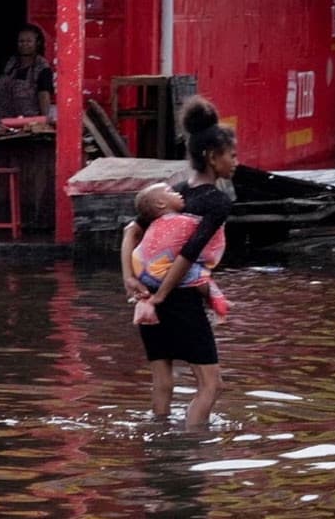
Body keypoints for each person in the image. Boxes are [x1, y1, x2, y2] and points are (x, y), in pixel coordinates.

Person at [120, 95, 238, 430]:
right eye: (232, 155)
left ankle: (158, 445)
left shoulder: (174, 194)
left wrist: (130, 279)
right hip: (179, 299)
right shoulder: (216, 201)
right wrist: (162, 296)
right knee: (211, 384)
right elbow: (188, 254)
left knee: (163, 383)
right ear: (212, 157)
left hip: (146, 299)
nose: (236, 161)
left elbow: (131, 231)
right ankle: (190, 449)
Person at [130, 182, 231, 326]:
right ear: (161, 203)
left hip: (142, 273)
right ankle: (218, 301)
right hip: (159, 275)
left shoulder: (154, 224)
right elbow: (207, 233)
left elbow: (131, 232)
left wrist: (129, 277)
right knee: (198, 274)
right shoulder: (183, 221)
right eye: (171, 192)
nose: (179, 194)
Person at [0, 23, 54, 121]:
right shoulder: (7, 63)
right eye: (21, 41)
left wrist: (45, 121)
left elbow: (44, 96)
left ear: (38, 43)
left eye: (29, 41)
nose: (24, 44)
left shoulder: (42, 67)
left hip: (28, 125)